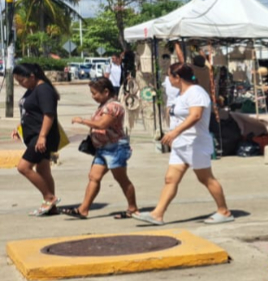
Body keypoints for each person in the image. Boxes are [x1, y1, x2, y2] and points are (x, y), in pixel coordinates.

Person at [134, 63, 234, 226]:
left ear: (177, 77)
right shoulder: (182, 94)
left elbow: (195, 116)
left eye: (169, 76)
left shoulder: (196, 92)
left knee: (206, 179)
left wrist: (174, 132)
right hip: (181, 145)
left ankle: (224, 211)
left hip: (196, 143)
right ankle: (157, 214)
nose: (168, 79)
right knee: (170, 179)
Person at [64, 77, 138, 219]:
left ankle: (133, 208)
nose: (93, 97)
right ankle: (83, 209)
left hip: (115, 148)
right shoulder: (104, 106)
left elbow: (102, 124)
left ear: (106, 91)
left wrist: (83, 121)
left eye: (95, 93)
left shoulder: (113, 107)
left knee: (122, 179)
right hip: (103, 149)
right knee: (94, 177)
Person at [9, 62, 62, 215]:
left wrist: (42, 137)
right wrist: (19, 127)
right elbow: (30, 111)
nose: (20, 84)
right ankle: (51, 207)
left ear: (31, 76)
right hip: (34, 135)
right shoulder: (33, 89)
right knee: (43, 169)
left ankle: (49, 197)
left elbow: (48, 114)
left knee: (23, 167)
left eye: (21, 81)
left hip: (41, 136)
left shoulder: (43, 89)